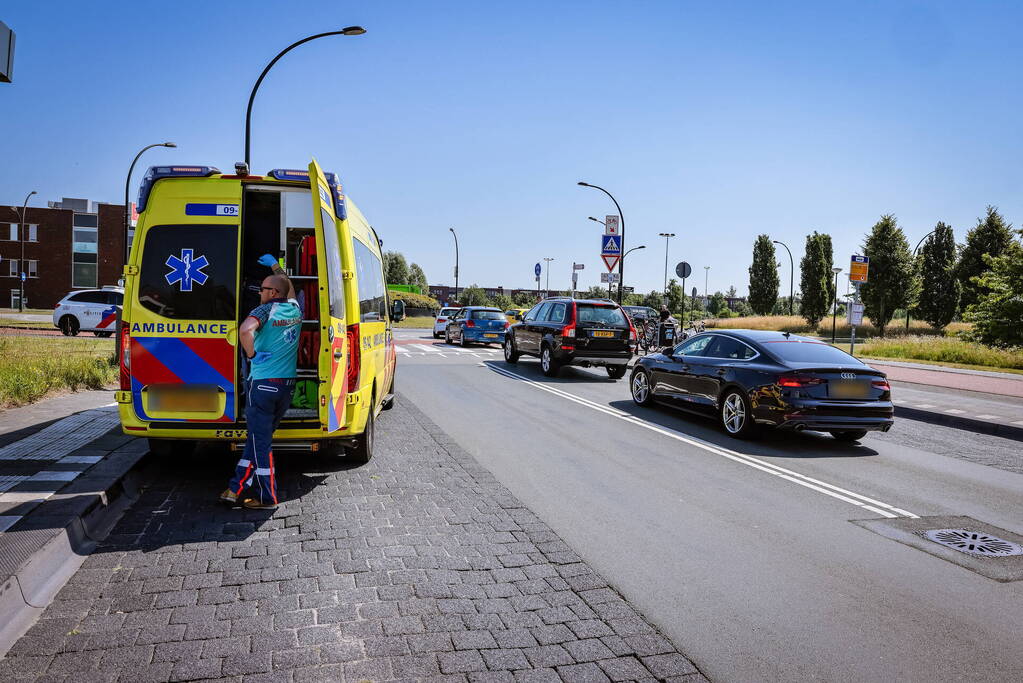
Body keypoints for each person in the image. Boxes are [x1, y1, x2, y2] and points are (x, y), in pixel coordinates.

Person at [221, 254, 301, 510]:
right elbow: (288, 287)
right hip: (285, 387)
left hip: (263, 385)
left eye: (263, 289)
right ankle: (235, 488)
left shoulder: (264, 310)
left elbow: (245, 331)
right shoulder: (294, 308)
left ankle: (268, 498)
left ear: (273, 292)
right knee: (258, 438)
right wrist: (276, 268)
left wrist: (252, 353)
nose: (259, 293)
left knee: (261, 443)